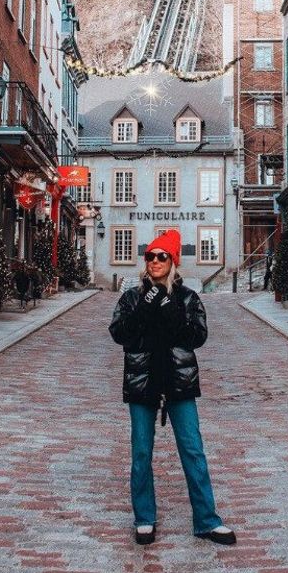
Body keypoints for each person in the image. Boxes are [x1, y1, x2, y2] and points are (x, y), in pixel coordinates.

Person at [109, 230, 236, 546]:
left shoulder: (188, 298)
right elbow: (120, 334)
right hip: (143, 382)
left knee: (193, 450)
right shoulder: (132, 297)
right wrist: (144, 309)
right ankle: (144, 518)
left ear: (173, 261)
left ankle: (206, 520)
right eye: (150, 256)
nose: (154, 261)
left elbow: (196, 338)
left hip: (179, 383)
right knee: (141, 451)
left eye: (161, 256)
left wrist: (169, 308)